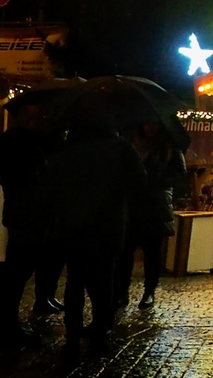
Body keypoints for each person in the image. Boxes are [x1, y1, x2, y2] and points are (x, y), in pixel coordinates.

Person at [43, 106, 145, 356]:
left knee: (75, 280)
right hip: (108, 224)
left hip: (72, 223)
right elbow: (139, 183)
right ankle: (101, 332)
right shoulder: (121, 148)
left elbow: (50, 185)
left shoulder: (67, 149)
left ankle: (72, 338)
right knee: (103, 281)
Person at [0, 99, 63, 346]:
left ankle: (17, 316)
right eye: (35, 117)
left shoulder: (52, 140)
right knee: (16, 273)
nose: (41, 121)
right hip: (24, 216)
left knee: (30, 268)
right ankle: (7, 323)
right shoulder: (12, 142)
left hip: (44, 215)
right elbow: (11, 177)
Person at [117, 121, 186, 311]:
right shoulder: (129, 143)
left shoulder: (168, 146)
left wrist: (157, 181)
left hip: (156, 204)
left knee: (152, 251)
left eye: (154, 123)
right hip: (131, 203)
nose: (150, 127)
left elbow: (179, 173)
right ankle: (122, 291)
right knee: (125, 251)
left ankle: (149, 291)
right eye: (146, 123)